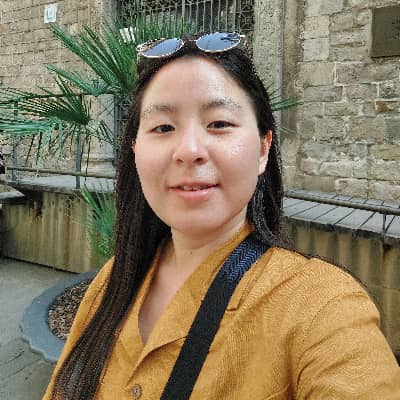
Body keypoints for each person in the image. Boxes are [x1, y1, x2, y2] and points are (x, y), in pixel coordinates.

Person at [44, 33, 400, 400]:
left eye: (219, 124)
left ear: (263, 149)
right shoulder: (111, 283)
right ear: (135, 150)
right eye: (163, 127)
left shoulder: (320, 307)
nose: (189, 150)